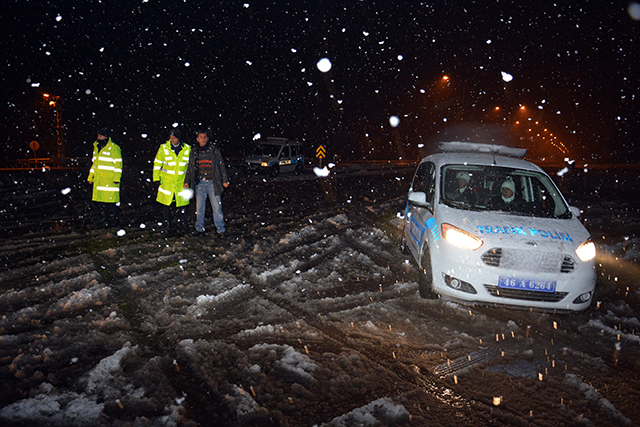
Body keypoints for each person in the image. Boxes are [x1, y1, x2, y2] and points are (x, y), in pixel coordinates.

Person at [184, 129, 229, 238]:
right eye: (201, 137)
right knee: (199, 209)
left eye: (205, 137)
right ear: (197, 139)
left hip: (213, 184)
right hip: (199, 184)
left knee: (217, 208)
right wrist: (187, 181)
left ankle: (220, 230)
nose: (203, 139)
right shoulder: (194, 152)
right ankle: (199, 230)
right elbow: (190, 168)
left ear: (207, 138)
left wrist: (225, 179)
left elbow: (221, 165)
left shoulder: (214, 150)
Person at [153, 128, 192, 235]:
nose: (171, 140)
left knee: (183, 205)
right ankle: (168, 226)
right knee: (166, 205)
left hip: (181, 183)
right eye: (170, 137)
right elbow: (157, 163)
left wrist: (189, 180)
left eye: (174, 137)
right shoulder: (163, 148)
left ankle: (184, 225)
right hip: (167, 182)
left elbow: (190, 167)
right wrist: (156, 178)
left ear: (178, 138)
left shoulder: (187, 149)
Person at [87, 128, 122, 228]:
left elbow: (118, 164)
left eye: (100, 135)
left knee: (113, 202)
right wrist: (91, 177)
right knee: (102, 202)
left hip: (110, 180)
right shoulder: (97, 147)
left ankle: (116, 221)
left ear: (105, 136)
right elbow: (95, 164)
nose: (98, 137)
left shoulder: (114, 148)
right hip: (100, 179)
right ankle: (104, 220)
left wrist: (116, 178)